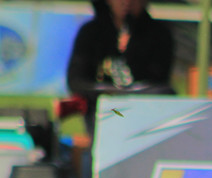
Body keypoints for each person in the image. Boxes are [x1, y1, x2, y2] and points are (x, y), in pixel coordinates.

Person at [66, 0, 175, 137]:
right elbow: (76, 80)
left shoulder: (159, 34)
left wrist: (130, 48)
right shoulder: (91, 32)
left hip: (144, 112)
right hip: (104, 109)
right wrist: (106, 91)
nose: (127, 2)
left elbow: (159, 80)